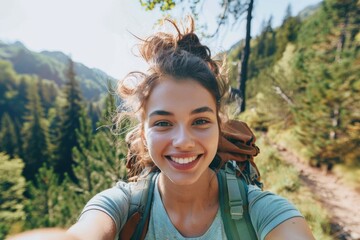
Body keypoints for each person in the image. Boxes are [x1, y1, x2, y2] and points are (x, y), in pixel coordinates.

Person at [9, 17, 315, 240]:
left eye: (200, 121)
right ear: (143, 132)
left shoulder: (259, 209)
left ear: (219, 127)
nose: (183, 141)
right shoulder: (121, 206)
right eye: (163, 123)